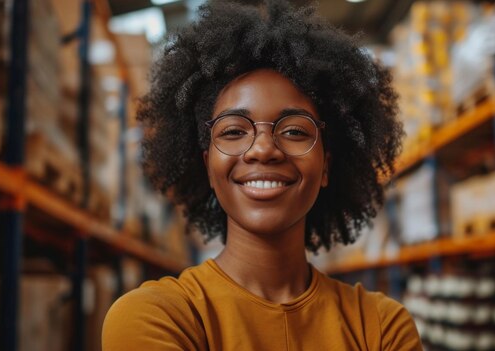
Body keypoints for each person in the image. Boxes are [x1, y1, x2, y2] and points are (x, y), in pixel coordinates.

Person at [102, 0, 422, 350]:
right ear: (208, 166)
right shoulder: (157, 317)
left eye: (295, 131)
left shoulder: (381, 325)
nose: (263, 149)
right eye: (234, 131)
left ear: (326, 166)